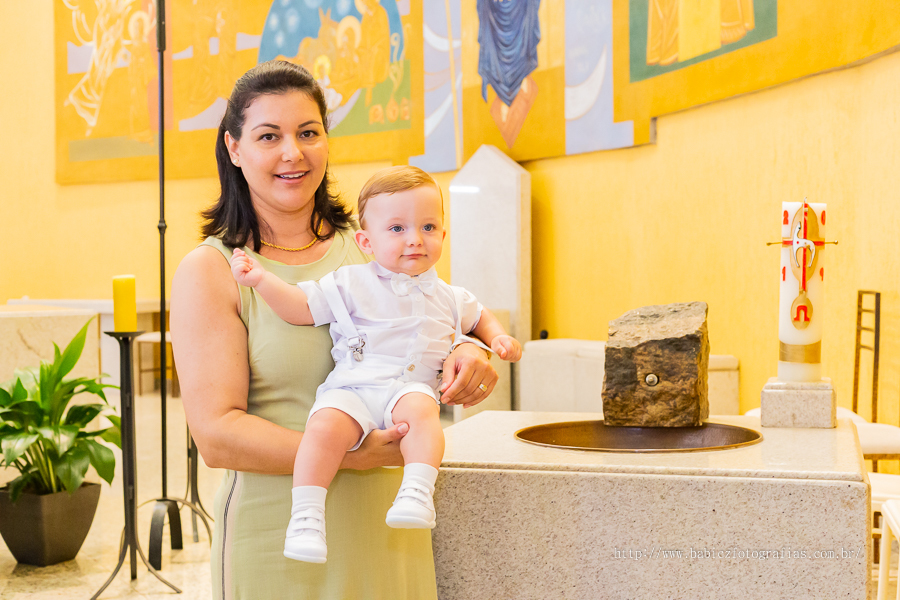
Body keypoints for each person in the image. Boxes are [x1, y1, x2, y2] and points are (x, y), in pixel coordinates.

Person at [170, 60, 499, 599]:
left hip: (389, 529)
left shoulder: (377, 243)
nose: (292, 153)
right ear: (233, 148)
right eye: (268, 136)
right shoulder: (214, 270)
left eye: (307, 133)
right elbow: (217, 434)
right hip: (279, 534)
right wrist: (351, 455)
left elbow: (431, 320)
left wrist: (468, 350)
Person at [229, 165, 522, 564]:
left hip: (409, 387)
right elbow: (300, 308)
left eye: (429, 227)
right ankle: (307, 517)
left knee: (423, 414)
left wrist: (497, 338)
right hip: (354, 385)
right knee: (324, 427)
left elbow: (479, 317)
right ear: (366, 241)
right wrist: (261, 281)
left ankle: (417, 491)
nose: (415, 240)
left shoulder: (451, 295)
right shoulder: (350, 281)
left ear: (443, 234)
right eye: (397, 229)